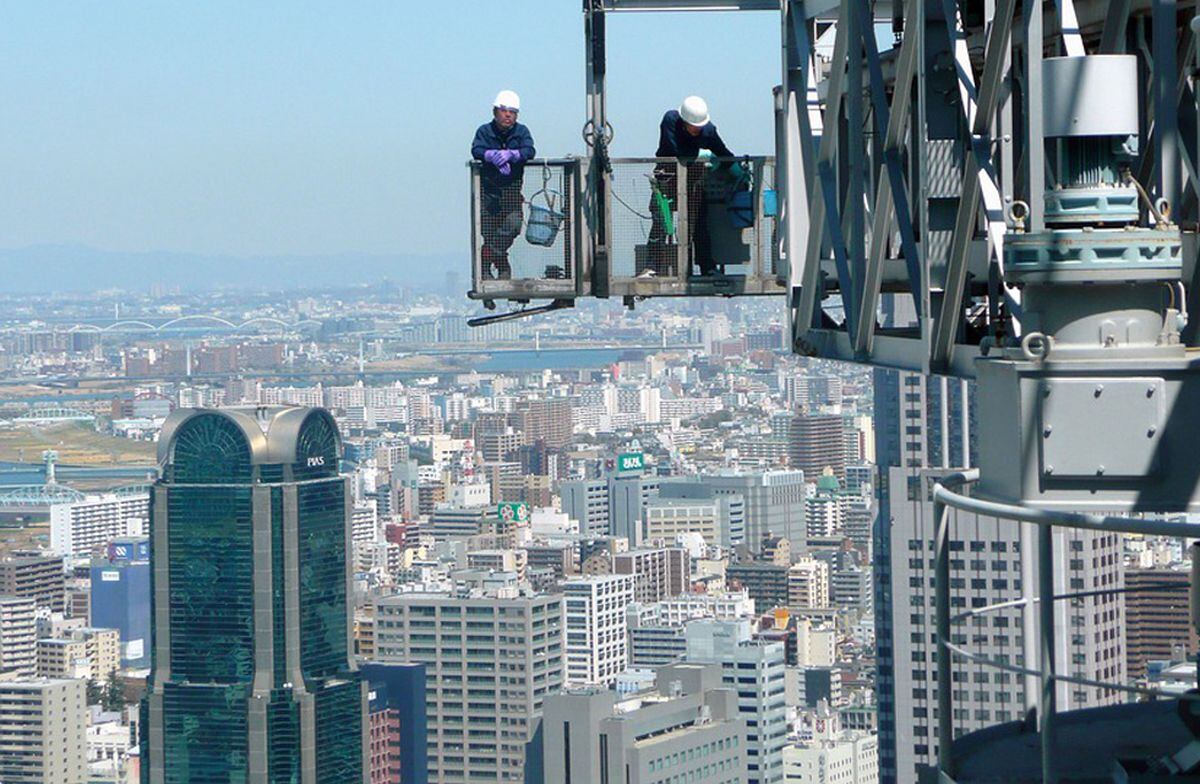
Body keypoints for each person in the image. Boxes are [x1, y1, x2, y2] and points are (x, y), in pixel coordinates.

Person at [648, 95, 735, 276]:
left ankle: (707, 267)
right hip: (667, 176)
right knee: (661, 221)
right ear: (684, 121)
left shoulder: (708, 131)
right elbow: (674, 151)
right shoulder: (670, 120)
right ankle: (652, 266)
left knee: (699, 224)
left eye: (699, 127)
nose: (696, 130)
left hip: (693, 180)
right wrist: (701, 154)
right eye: (693, 127)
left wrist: (732, 166)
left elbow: (723, 152)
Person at [472, 90, 536, 280]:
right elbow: (476, 149)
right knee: (489, 232)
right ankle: (498, 269)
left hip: (511, 191)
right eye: (504, 111)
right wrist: (489, 155)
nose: (508, 115)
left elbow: (529, 150)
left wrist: (514, 155)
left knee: (513, 226)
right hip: (488, 191)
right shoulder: (485, 131)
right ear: (495, 112)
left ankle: (487, 260)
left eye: (513, 112)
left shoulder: (521, 131)